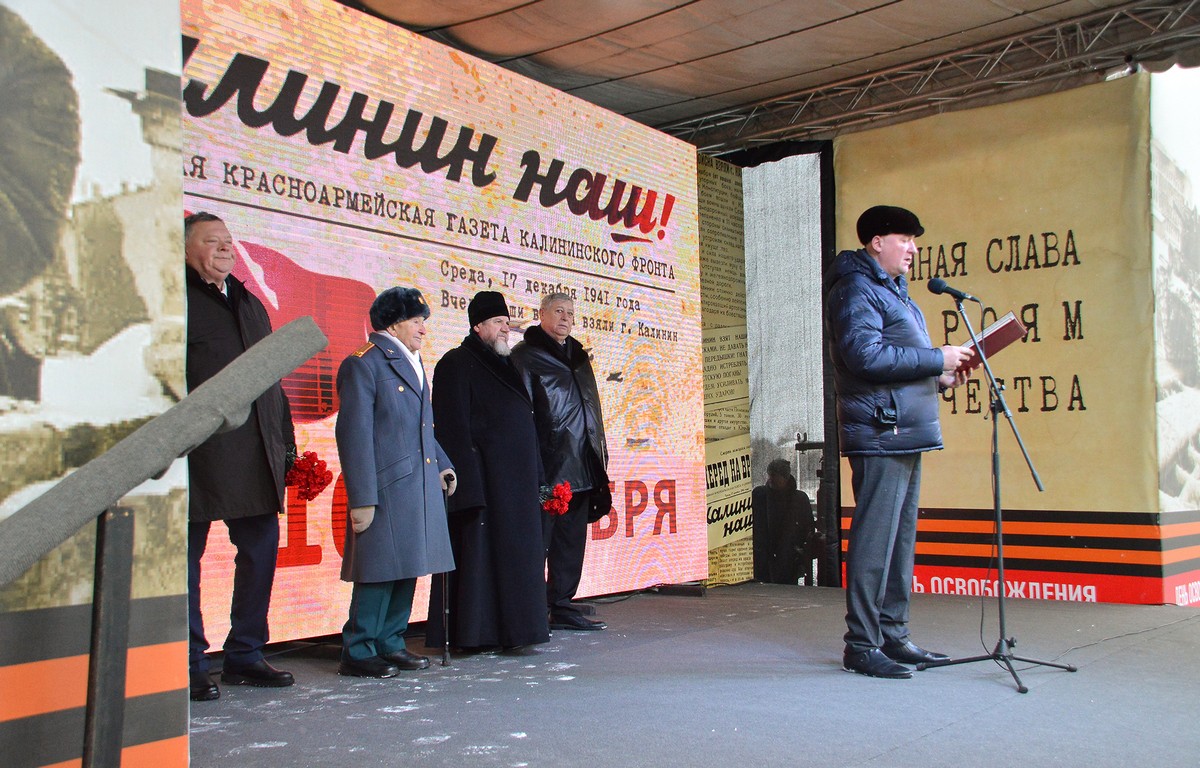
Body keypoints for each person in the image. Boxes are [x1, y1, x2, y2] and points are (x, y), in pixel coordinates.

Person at [824, 205, 972, 680]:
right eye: (905, 238)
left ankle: (893, 634)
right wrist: (935, 357)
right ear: (876, 242)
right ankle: (862, 645)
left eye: (914, 240)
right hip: (880, 432)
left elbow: (899, 364)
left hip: (905, 430)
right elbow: (863, 354)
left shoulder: (896, 293)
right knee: (874, 541)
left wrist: (942, 375)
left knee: (900, 540)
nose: (913, 248)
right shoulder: (855, 287)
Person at [185, 212, 296, 701]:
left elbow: (273, 380)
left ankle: (245, 654)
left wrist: (286, 445)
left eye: (229, 240)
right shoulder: (173, 300)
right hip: (194, 452)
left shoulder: (251, 301)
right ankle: (187, 661)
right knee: (184, 562)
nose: (226, 248)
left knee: (260, 550)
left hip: (255, 449)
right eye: (213, 241)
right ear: (186, 250)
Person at [334, 286, 456, 678]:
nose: (423, 329)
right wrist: (362, 498)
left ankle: (390, 641)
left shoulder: (413, 361)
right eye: (417, 321)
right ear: (394, 323)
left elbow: (422, 428)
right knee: (379, 569)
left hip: (416, 484)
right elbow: (353, 435)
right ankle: (359, 647)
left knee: (409, 565)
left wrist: (442, 464)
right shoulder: (364, 364)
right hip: (386, 486)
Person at [426, 290, 550, 651]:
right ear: (477, 325)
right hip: (485, 485)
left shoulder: (508, 363)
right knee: (480, 560)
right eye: (497, 322)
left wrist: (538, 475)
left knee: (516, 559)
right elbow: (451, 428)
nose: (505, 329)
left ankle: (516, 632)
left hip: (515, 485)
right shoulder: (456, 362)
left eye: (507, 322)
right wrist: (468, 487)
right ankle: (477, 635)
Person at [511, 292, 611, 632]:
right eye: (558, 311)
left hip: (582, 465)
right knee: (537, 542)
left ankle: (563, 605)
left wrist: (600, 454)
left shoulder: (580, 358)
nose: (566, 318)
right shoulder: (525, 356)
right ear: (541, 314)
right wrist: (529, 465)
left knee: (571, 544)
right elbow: (520, 415)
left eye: (570, 312)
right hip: (547, 471)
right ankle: (529, 609)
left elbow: (592, 410)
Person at [751, 458, 815, 585]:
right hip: (766, 557)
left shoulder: (799, 499)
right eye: (770, 475)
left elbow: (808, 529)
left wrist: (799, 552)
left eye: (775, 475)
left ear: (785, 477)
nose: (771, 479)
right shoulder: (760, 495)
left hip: (789, 559)